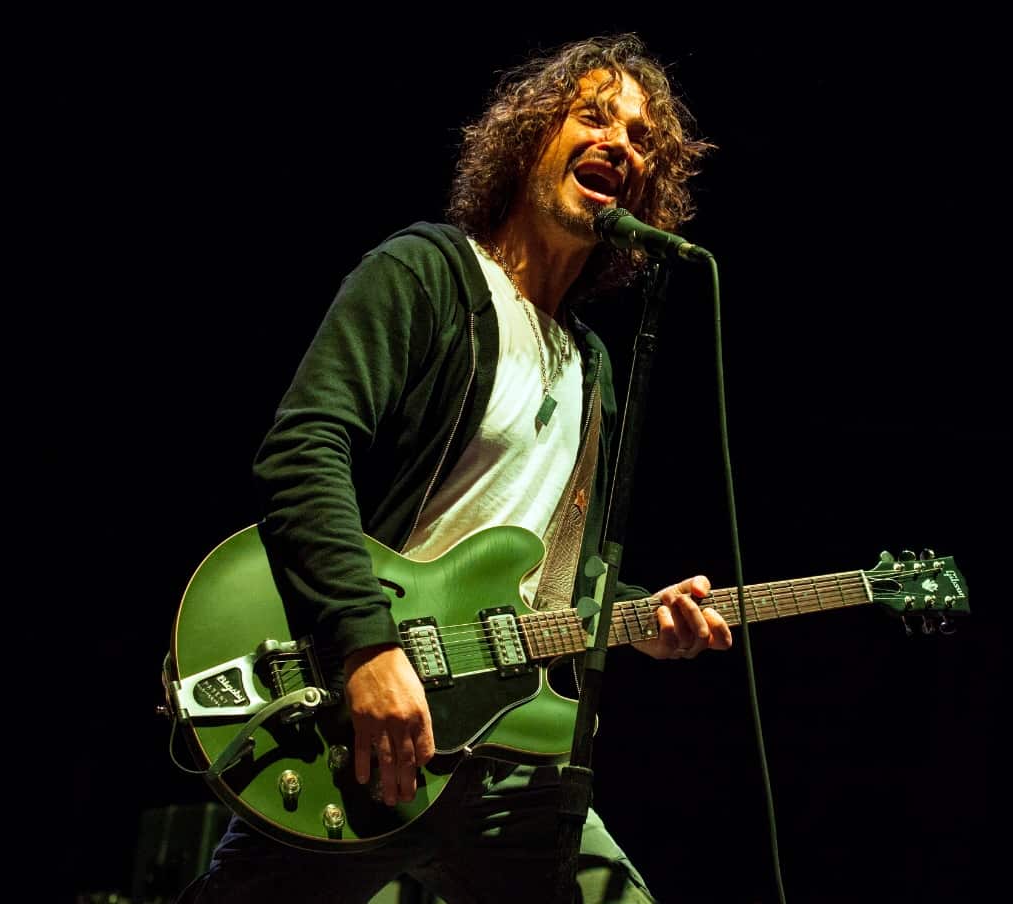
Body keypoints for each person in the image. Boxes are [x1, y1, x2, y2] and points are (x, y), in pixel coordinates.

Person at [178, 33, 730, 904]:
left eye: (641, 141)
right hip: (365, 727)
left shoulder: (594, 367)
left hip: (514, 764)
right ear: (528, 138)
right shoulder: (426, 273)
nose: (620, 143)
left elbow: (549, 591)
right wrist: (366, 648)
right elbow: (301, 451)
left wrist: (635, 619)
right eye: (592, 116)